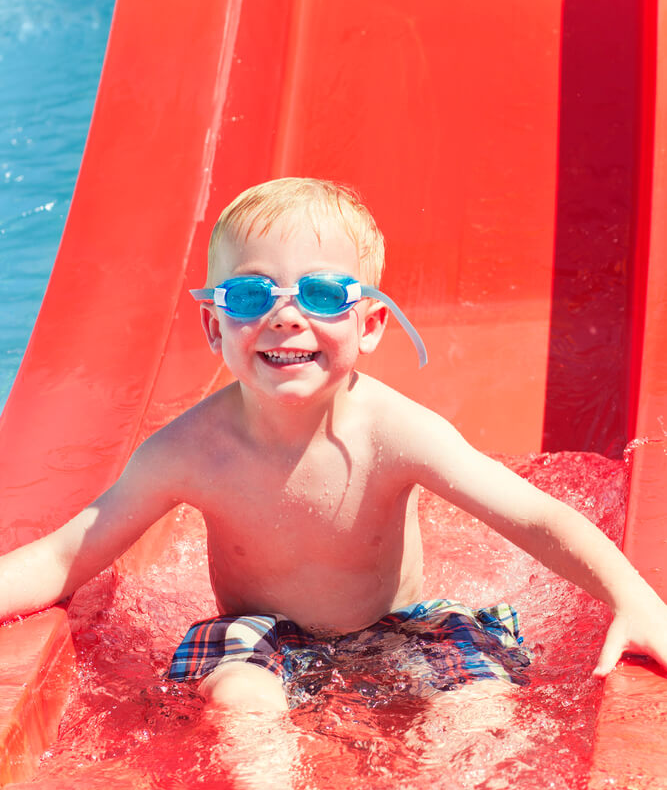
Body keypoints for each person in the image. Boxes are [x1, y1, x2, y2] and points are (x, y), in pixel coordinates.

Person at [1, 177, 666, 720]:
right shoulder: (187, 451)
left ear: (370, 324)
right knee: (238, 702)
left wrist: (634, 601)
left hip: (396, 625)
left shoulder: (394, 431)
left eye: (320, 294)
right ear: (213, 324)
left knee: (483, 700)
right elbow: (69, 552)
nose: (286, 316)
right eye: (250, 293)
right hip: (262, 637)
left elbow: (534, 516)